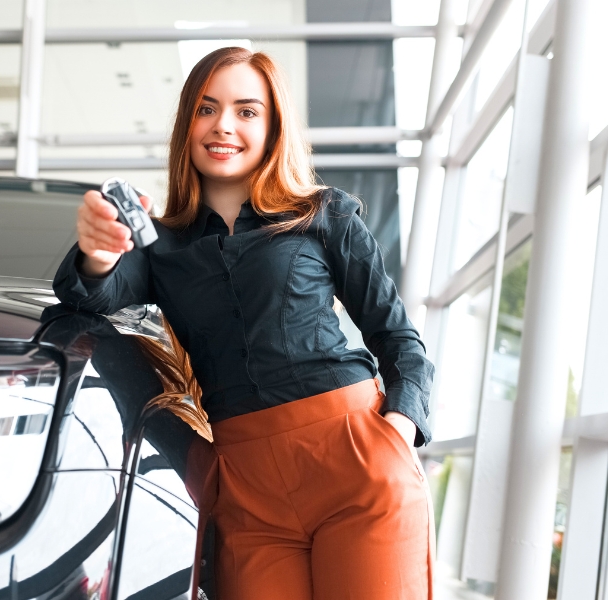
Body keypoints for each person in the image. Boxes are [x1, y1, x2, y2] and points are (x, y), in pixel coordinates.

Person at [52, 46, 434, 600]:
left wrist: (395, 432)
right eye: (206, 109)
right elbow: (89, 302)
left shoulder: (323, 214)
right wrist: (97, 250)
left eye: (246, 111)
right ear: (187, 125)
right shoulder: (159, 248)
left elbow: (399, 340)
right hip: (243, 484)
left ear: (273, 125)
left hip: (356, 459)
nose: (223, 126)